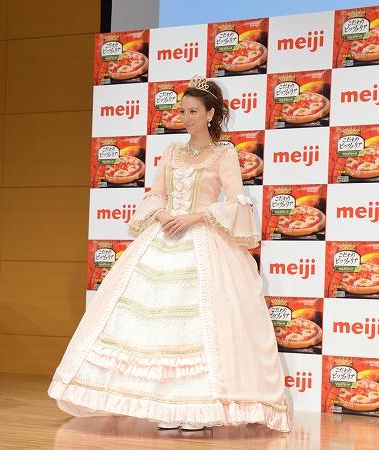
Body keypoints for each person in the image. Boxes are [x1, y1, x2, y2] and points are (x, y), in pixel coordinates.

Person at [48, 75, 291, 433]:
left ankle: (196, 408)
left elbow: (236, 199)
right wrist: (161, 214)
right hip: (163, 236)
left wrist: (195, 217)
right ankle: (163, 403)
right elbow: (157, 193)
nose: (186, 117)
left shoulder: (224, 153)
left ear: (210, 114)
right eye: (183, 111)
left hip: (202, 239)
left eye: (193, 111)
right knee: (154, 321)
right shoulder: (172, 151)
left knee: (200, 322)